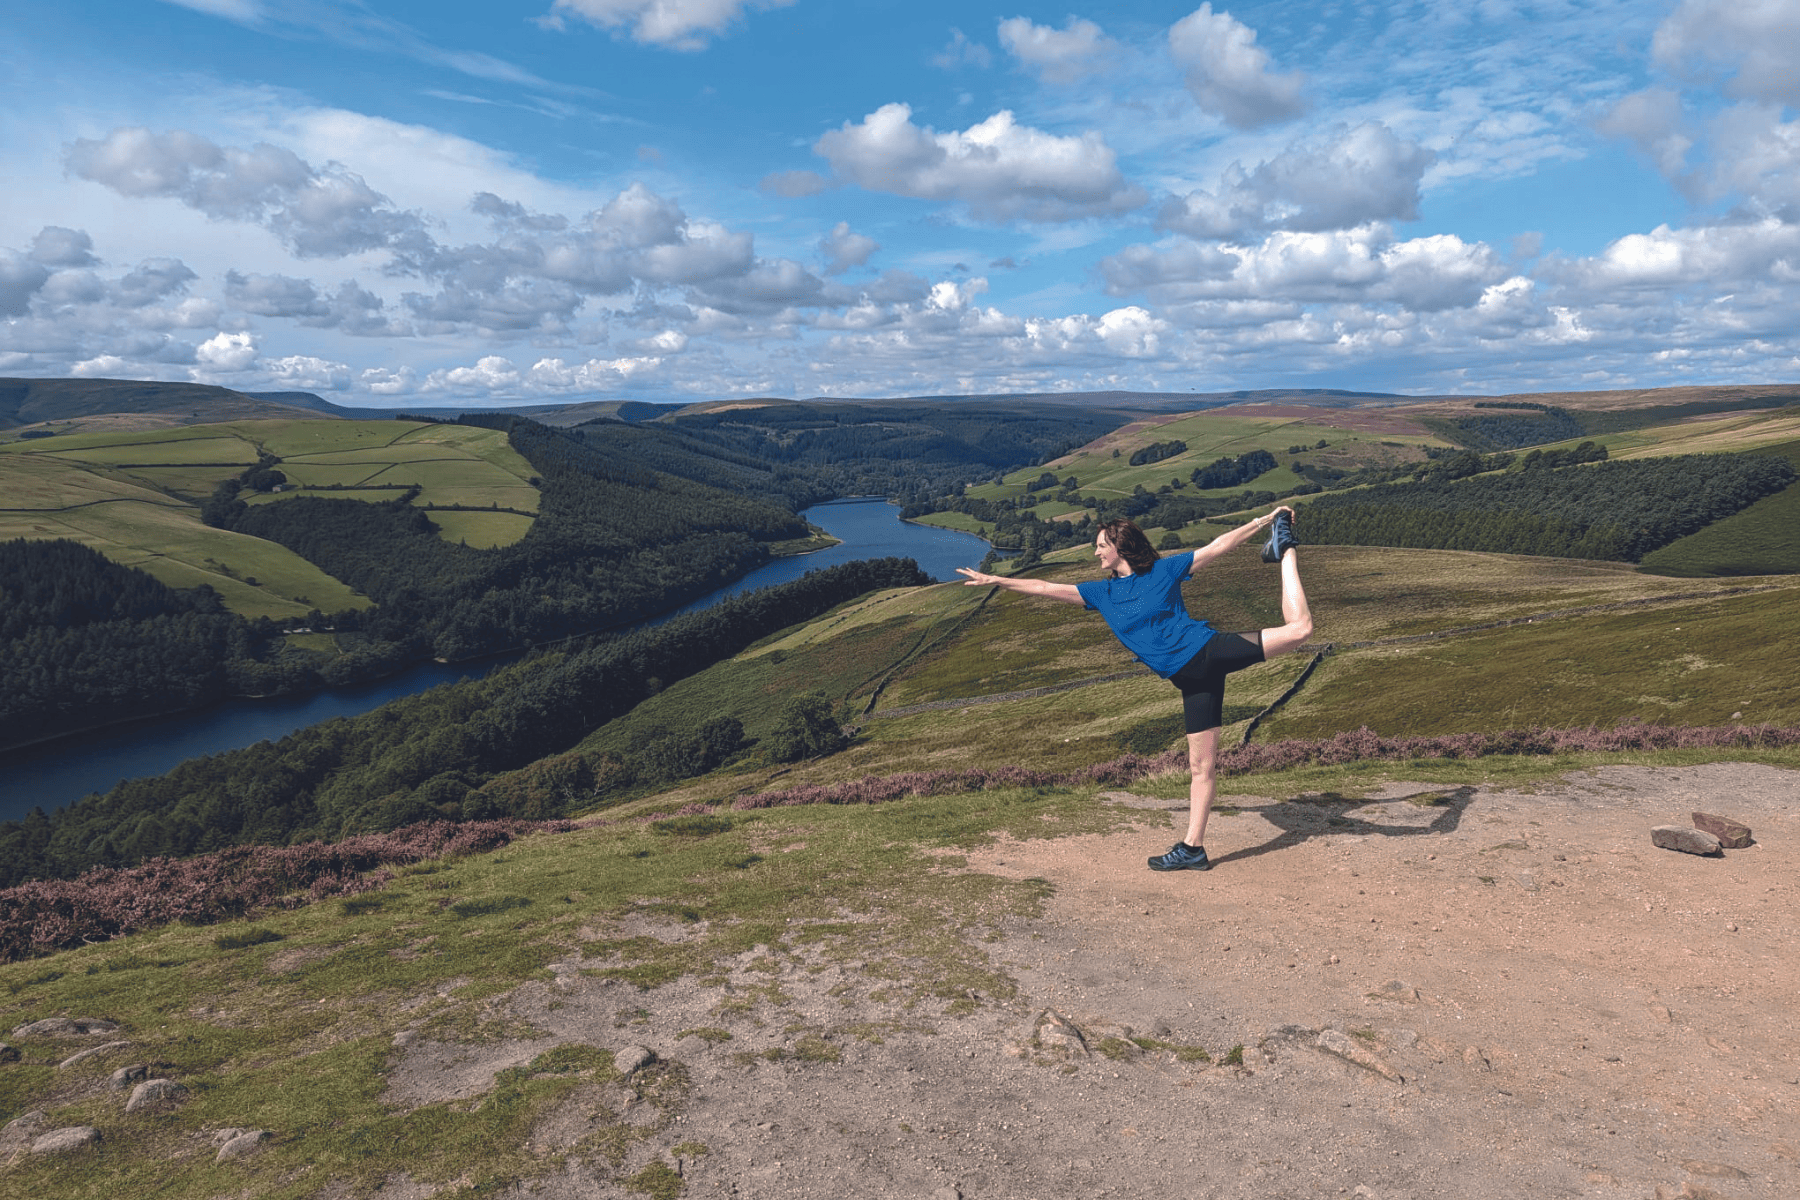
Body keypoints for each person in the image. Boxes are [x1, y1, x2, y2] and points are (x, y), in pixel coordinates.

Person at [955, 507, 1311, 873]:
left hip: (1208, 652)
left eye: (1100, 546)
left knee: (1300, 630)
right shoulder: (1102, 593)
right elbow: (1045, 588)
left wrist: (1265, 521)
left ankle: (1285, 551)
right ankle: (1193, 849)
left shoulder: (1164, 571)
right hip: (1192, 681)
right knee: (1200, 766)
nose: (1095, 552)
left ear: (1119, 546)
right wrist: (997, 580)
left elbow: (1217, 547)